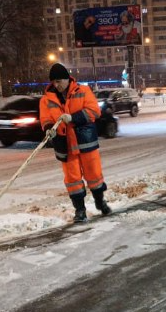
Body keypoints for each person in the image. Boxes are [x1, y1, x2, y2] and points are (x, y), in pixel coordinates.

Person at [39, 63, 112, 223]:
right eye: (54, 82)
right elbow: (45, 118)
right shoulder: (46, 99)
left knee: (94, 176)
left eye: (59, 81)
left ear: (67, 79)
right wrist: (49, 128)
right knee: (73, 180)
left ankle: (100, 202)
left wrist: (73, 118)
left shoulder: (83, 91)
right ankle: (80, 210)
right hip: (64, 145)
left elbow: (94, 111)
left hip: (85, 142)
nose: (56, 85)